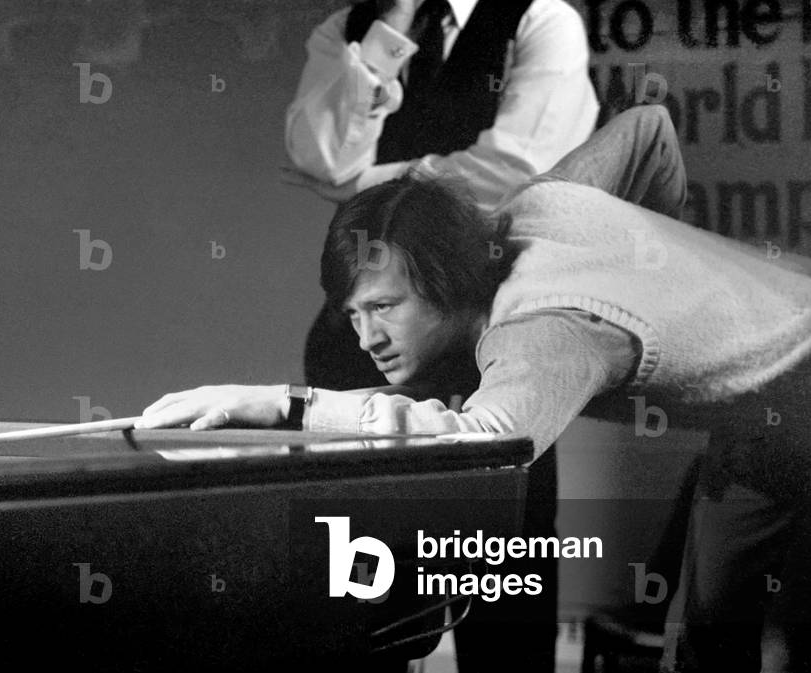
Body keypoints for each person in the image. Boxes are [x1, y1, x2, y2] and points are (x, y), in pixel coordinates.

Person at [140, 106, 811, 672]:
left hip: (799, 381)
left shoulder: (541, 333)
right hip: (771, 395)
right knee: (709, 633)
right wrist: (658, 270)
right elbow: (646, 130)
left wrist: (284, 404)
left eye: (383, 307)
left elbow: (484, 439)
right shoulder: (535, 208)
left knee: (710, 638)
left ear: (443, 278)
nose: (364, 337)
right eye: (352, 314)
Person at [282, 0, 599, 393]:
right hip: (357, 343)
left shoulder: (542, 20)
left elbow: (516, 173)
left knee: (497, 450)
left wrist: (365, 183)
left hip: (484, 338)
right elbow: (323, 159)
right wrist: (391, 31)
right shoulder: (350, 27)